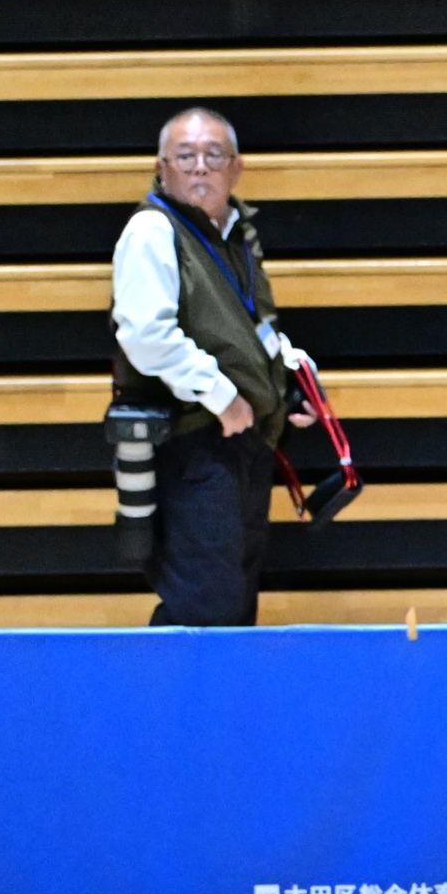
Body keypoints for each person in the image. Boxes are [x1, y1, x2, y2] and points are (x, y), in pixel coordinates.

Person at [110, 107, 317, 626]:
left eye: (214, 155)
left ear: (236, 168)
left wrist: (292, 375)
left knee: (237, 602)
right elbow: (145, 334)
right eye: (185, 156)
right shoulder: (152, 231)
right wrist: (220, 395)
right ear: (162, 168)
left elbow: (257, 327)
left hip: (246, 440)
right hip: (193, 441)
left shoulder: (237, 233)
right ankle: (166, 686)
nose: (200, 166)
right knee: (204, 605)